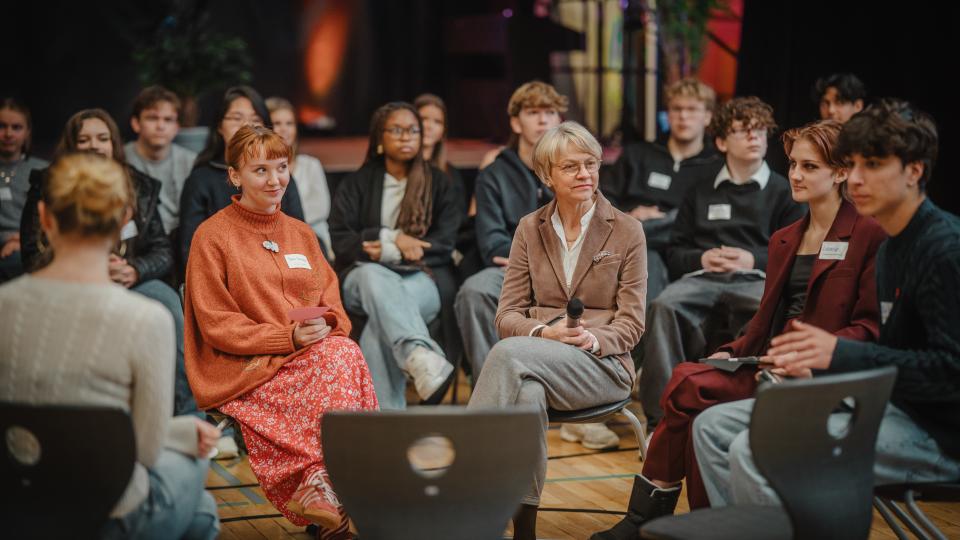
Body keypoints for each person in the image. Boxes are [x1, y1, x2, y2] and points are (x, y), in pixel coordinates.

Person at [591, 119, 886, 539]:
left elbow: (869, 326)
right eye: (793, 165)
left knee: (688, 387)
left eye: (810, 167)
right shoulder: (785, 237)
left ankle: (661, 517)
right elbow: (767, 316)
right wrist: (735, 350)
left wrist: (813, 357)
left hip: (819, 374)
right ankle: (694, 522)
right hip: (769, 358)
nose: (796, 175)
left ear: (841, 172)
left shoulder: (868, 233)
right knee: (691, 387)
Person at [693, 99, 960, 509]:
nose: (854, 179)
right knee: (711, 426)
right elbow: (892, 352)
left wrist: (839, 354)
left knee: (752, 451)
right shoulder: (893, 248)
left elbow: (950, 373)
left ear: (914, 172)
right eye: (850, 165)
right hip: (884, 405)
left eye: (871, 165)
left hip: (940, 434)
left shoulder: (943, 249)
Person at [0, 152, 219, 540]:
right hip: (107, 515)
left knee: (200, 513)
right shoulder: (148, 319)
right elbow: (147, 455)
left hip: (18, 505)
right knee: (199, 491)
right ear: (122, 221)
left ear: (45, 218)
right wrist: (182, 432)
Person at [184, 125, 378, 538]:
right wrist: (286, 339)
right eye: (260, 170)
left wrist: (324, 325)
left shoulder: (301, 233)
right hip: (245, 366)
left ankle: (324, 497)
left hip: (308, 358)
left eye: (282, 167)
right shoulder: (212, 237)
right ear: (235, 175)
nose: (275, 181)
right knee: (342, 359)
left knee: (342, 352)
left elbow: (333, 304)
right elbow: (216, 324)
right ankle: (330, 486)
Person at [468, 121, 646, 540]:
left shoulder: (626, 230)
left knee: (508, 355)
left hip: (602, 367)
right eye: (572, 167)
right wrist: (546, 335)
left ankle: (464, 486)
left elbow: (633, 323)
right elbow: (506, 315)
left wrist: (593, 338)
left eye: (591, 164)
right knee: (526, 395)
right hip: (542, 361)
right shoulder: (530, 228)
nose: (585, 174)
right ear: (547, 176)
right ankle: (523, 531)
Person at [18, 109, 201, 420]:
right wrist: (90, 269)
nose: (94, 146)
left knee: (168, 304)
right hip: (70, 281)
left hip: (133, 276)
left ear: (114, 143)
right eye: (84, 139)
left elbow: (162, 250)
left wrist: (135, 269)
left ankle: (189, 415)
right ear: (71, 145)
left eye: (102, 138)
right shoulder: (48, 184)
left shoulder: (138, 185)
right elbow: (32, 254)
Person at [637, 97, 806, 426]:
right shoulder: (699, 190)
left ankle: (748, 406)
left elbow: (797, 252)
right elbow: (674, 253)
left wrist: (752, 257)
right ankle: (662, 417)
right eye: (743, 131)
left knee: (769, 308)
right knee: (663, 305)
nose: (754, 137)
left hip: (757, 278)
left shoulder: (785, 192)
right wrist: (702, 257)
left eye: (759, 130)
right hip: (702, 278)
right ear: (721, 141)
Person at [329, 102, 462, 410]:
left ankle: (382, 421)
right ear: (379, 136)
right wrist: (392, 240)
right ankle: (417, 355)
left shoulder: (439, 184)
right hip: (362, 280)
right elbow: (342, 240)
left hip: (421, 279)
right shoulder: (356, 184)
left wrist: (387, 250)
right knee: (375, 276)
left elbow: (444, 243)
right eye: (397, 130)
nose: (407, 137)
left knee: (381, 322)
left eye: (413, 130)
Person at [454, 81, 563, 378]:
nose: (543, 119)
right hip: (510, 270)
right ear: (516, 122)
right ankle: (492, 402)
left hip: (566, 271)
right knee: (474, 292)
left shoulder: (572, 169)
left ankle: (575, 399)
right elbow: (492, 243)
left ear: (559, 120)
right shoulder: (494, 174)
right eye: (533, 112)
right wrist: (534, 261)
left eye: (550, 112)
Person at [601, 78, 722, 302]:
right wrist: (629, 215)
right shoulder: (637, 154)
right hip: (645, 249)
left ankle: (636, 233)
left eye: (692, 110)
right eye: (677, 109)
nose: (683, 116)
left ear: (708, 117)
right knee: (647, 256)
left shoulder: (717, 166)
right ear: (668, 114)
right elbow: (602, 200)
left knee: (673, 222)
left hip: (687, 245)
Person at [178, 86, 305, 277]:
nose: (246, 126)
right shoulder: (201, 180)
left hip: (281, 275)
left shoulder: (279, 179)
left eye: (255, 119)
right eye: (236, 118)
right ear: (220, 126)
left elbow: (297, 236)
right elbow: (191, 252)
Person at [124, 85, 198, 234]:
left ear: (177, 126)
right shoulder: (120, 159)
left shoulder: (192, 162)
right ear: (136, 123)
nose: (160, 126)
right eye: (152, 118)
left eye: (168, 119)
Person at [267, 96, 333, 257]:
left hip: (311, 233)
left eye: (290, 123)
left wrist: (284, 223)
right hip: (269, 236)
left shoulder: (311, 165)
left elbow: (320, 208)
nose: (284, 129)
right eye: (277, 123)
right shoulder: (259, 169)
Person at [0, 98, 48, 282]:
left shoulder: (42, 171)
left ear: (27, 132)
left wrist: (21, 240)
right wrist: (8, 239)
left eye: (16, 127)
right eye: (2, 126)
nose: (8, 134)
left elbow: (54, 218)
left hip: (32, 246)